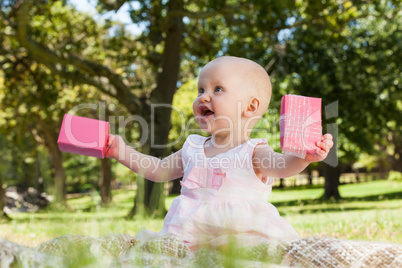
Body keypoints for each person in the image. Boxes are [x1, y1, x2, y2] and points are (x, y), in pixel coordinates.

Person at [105, 56, 334, 251]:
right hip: (189, 237)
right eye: (201, 89)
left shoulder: (253, 151)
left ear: (250, 107)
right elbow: (159, 169)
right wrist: (122, 151)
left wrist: (304, 157)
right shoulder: (193, 147)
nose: (203, 96)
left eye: (218, 89)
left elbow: (282, 165)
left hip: (241, 238)